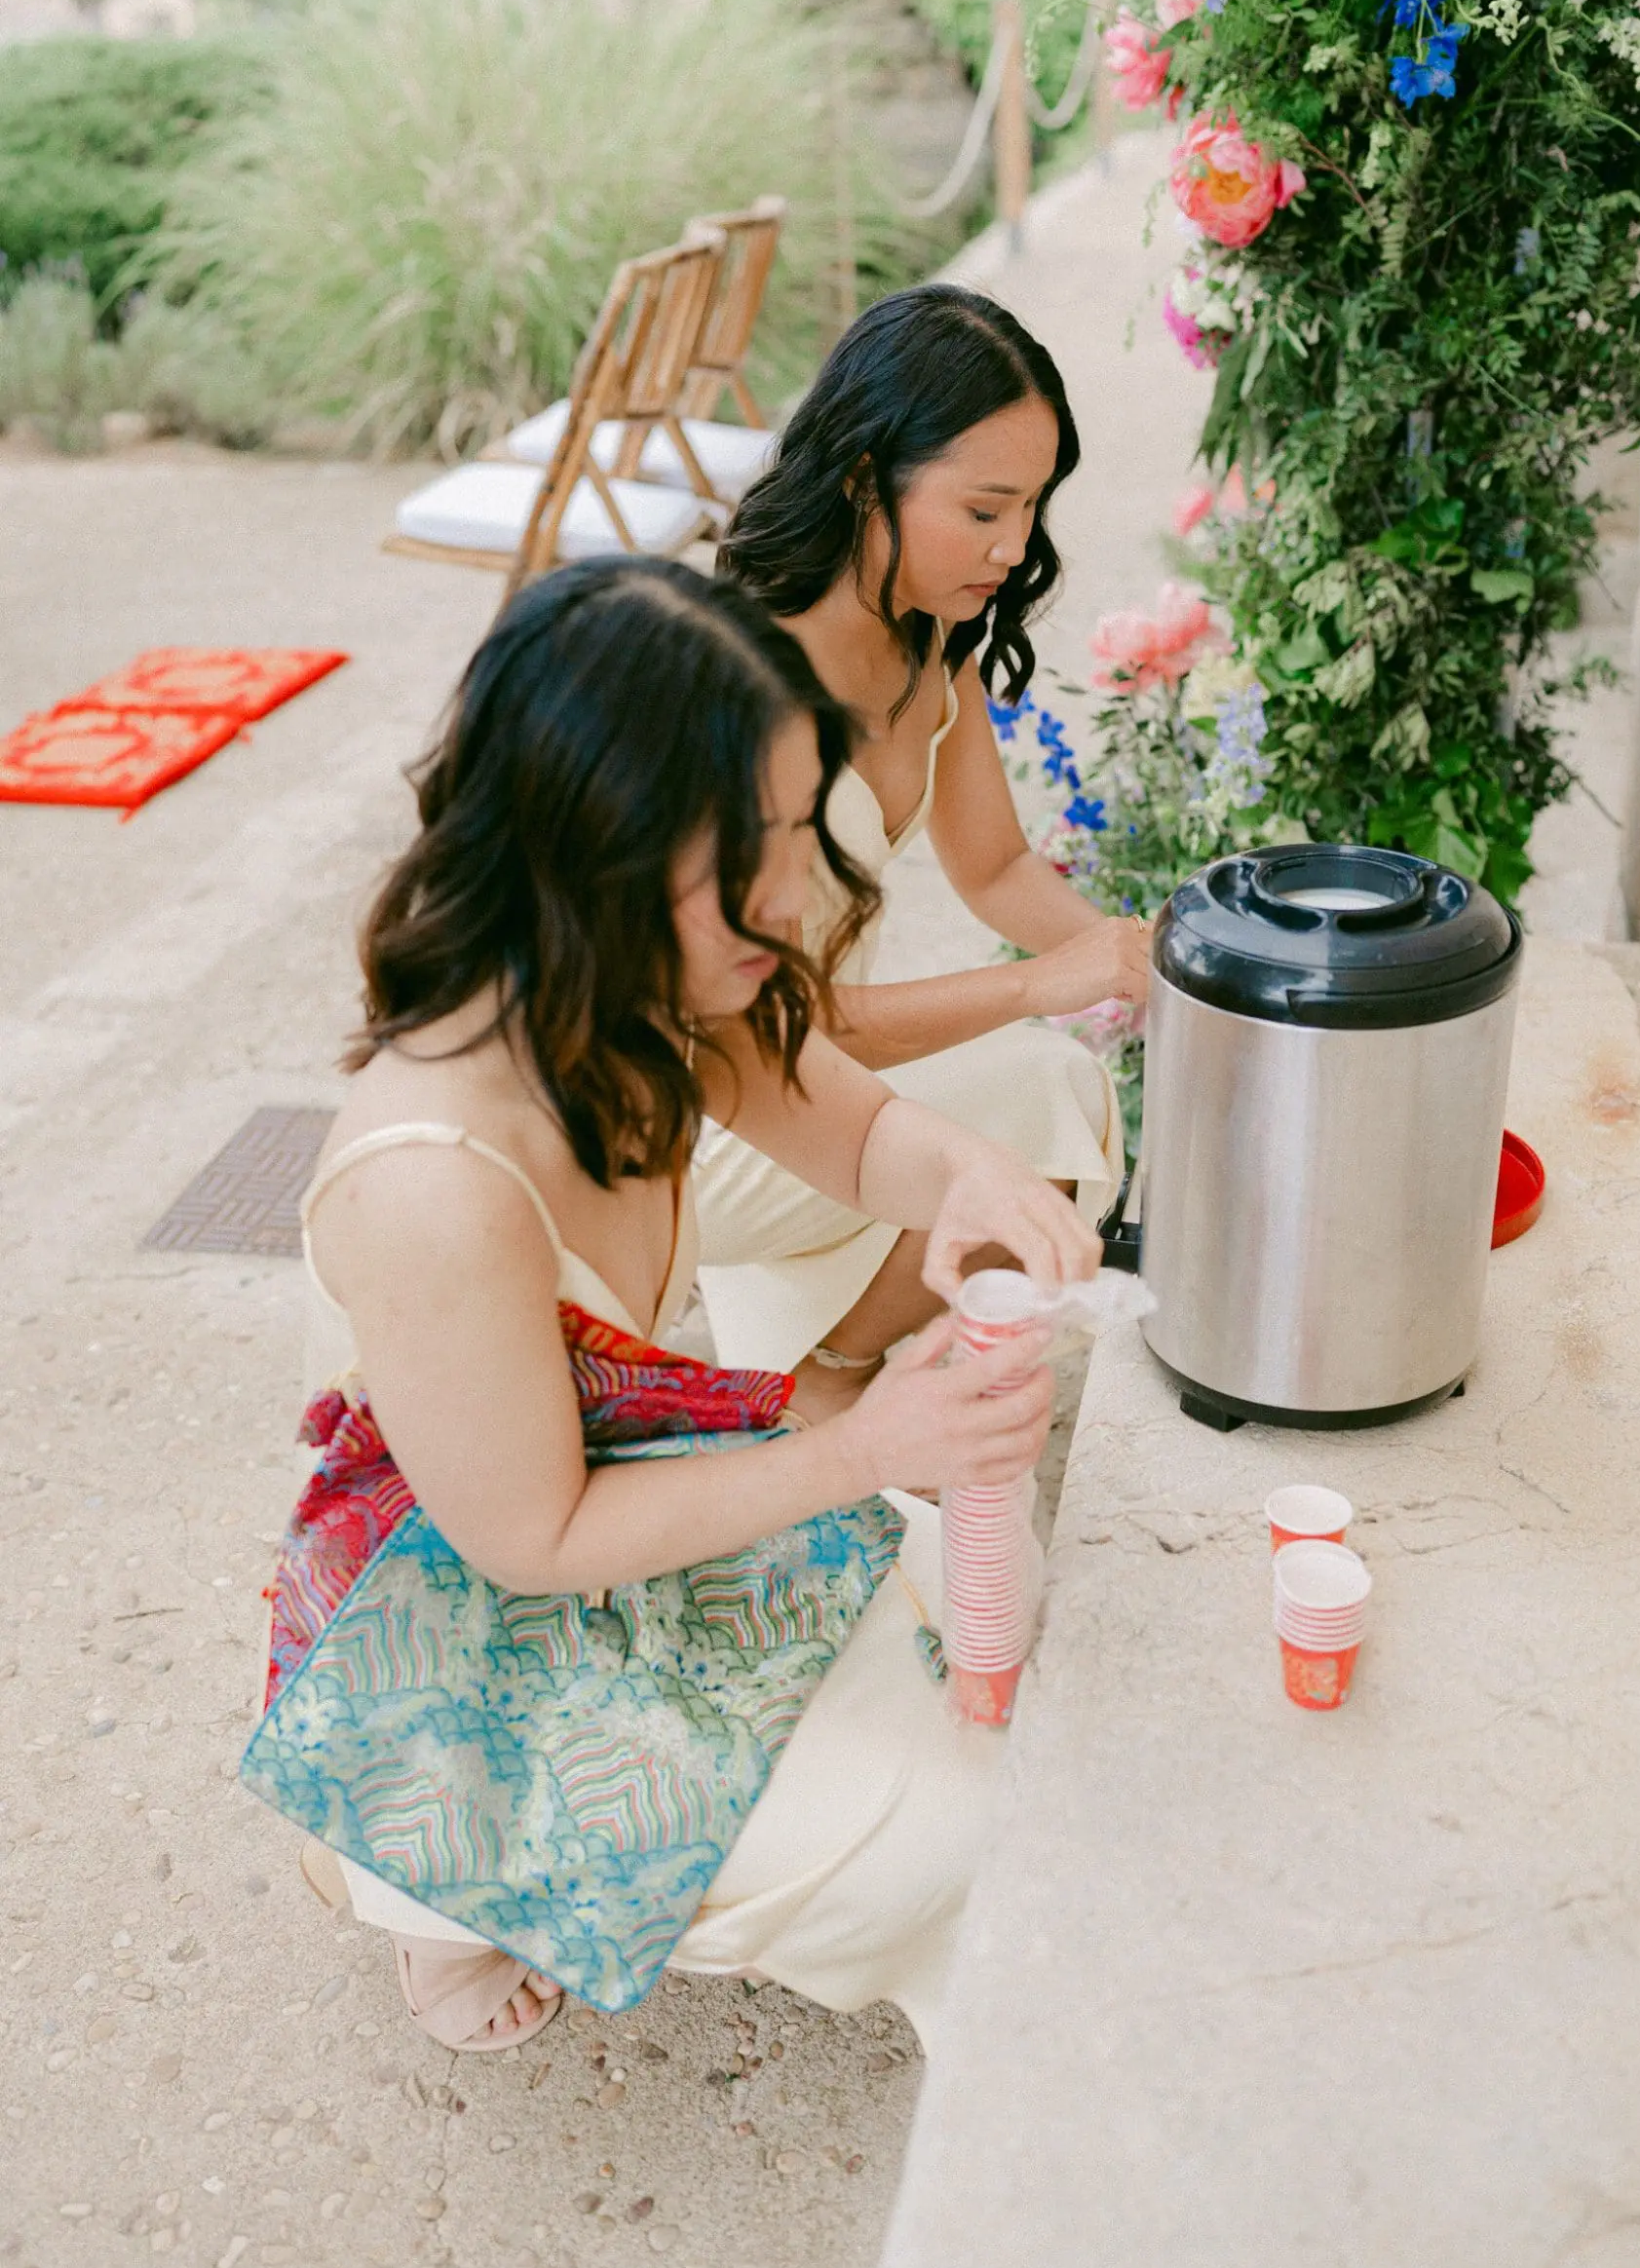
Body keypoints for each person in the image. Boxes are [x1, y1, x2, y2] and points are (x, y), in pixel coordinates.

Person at [249, 556, 1097, 2058]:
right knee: (959, 1834)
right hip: (454, 1605)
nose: (797, 896)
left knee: (989, 1620)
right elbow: (534, 1543)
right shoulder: (433, 1180)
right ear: (595, 853)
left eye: (793, 832)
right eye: (753, 849)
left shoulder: (648, 989)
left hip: (601, 1480)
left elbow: (845, 1126)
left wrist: (963, 1170)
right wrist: (855, 1442)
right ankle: (406, 1874)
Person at [698, 283, 1149, 1413]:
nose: (1014, 548)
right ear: (863, 477)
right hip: (713, 1114)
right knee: (1051, 1088)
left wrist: (1161, 960)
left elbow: (992, 868)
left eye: (1032, 510)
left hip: (827, 1076)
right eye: (984, 509)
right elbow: (783, 1024)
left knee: (1068, 1102)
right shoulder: (745, 688)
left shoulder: (929, 632)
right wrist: (1039, 985)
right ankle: (814, 1366)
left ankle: (820, 1347)